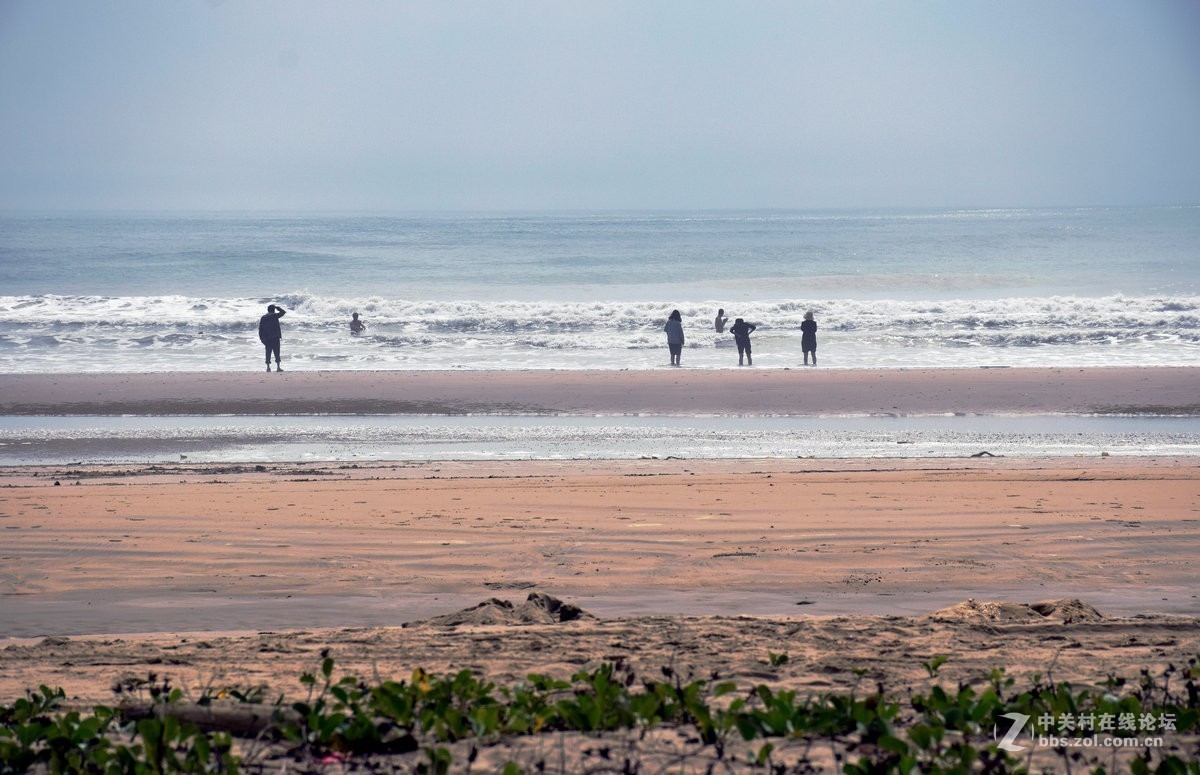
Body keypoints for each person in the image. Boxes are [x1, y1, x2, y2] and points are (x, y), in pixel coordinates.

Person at [258, 304, 287, 372]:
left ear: (268, 310)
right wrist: (278, 308)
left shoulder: (263, 317)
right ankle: (278, 367)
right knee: (277, 352)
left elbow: (260, 329)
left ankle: (268, 368)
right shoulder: (274, 315)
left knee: (268, 352)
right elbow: (283, 312)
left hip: (267, 338)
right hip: (275, 337)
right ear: (273, 310)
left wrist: (261, 338)